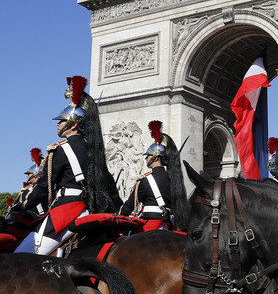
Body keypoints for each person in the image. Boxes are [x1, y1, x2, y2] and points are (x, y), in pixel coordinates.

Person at [13, 75, 121, 256]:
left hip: (67, 209)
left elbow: (43, 188)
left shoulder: (60, 150)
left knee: (21, 257)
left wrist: (22, 205)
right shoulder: (94, 151)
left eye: (61, 120)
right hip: (90, 209)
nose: (58, 124)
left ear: (73, 124)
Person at [119, 121, 189, 231]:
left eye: (148, 156)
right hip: (169, 226)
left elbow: (129, 206)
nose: (145, 158)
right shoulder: (174, 180)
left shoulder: (145, 180)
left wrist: (118, 216)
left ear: (156, 158)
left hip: (149, 225)